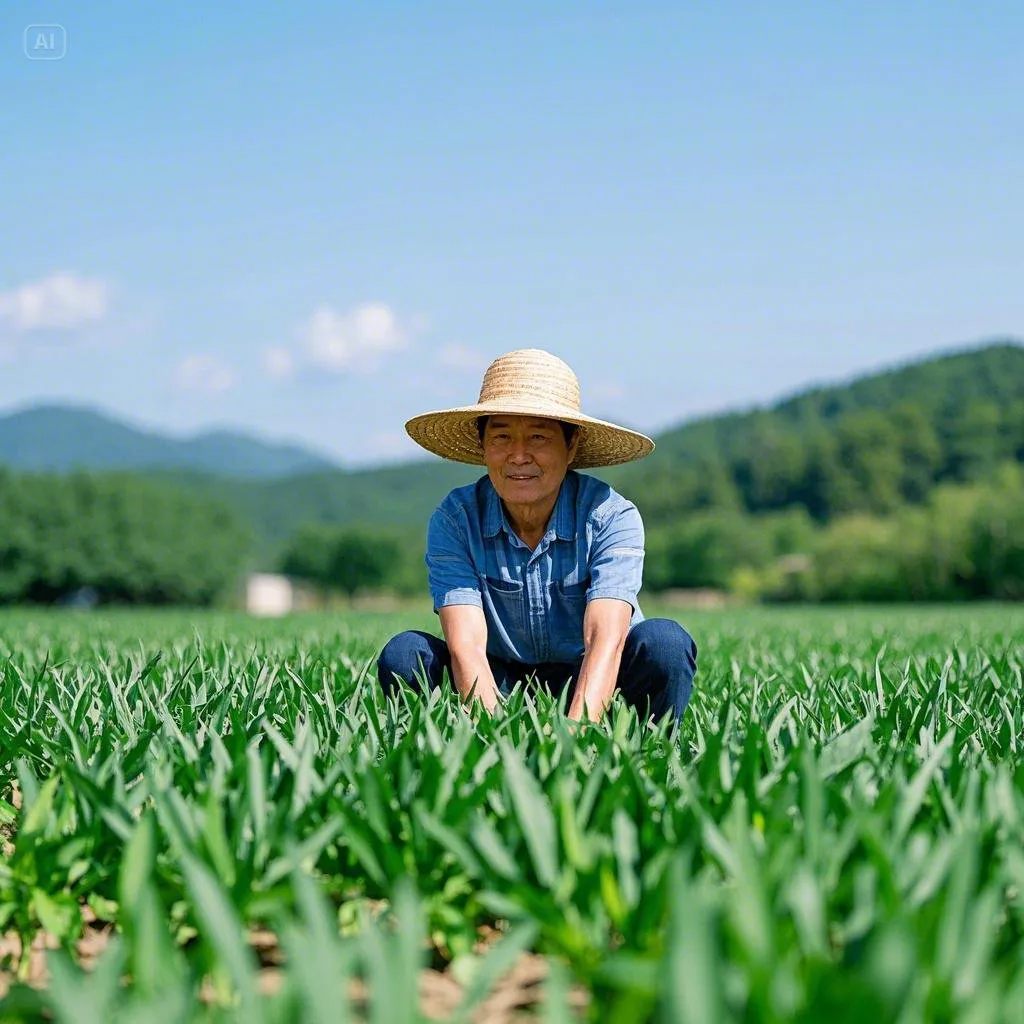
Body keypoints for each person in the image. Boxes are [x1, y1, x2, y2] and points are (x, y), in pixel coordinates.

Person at [376, 348, 697, 729]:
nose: (519, 455)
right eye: (502, 436)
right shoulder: (456, 517)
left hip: (595, 676)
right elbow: (466, 645)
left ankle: (649, 759)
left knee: (665, 643)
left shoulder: (612, 515)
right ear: (483, 445)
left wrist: (576, 742)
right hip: (500, 676)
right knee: (405, 653)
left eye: (539, 437)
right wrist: (494, 742)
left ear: (571, 444)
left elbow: (605, 640)